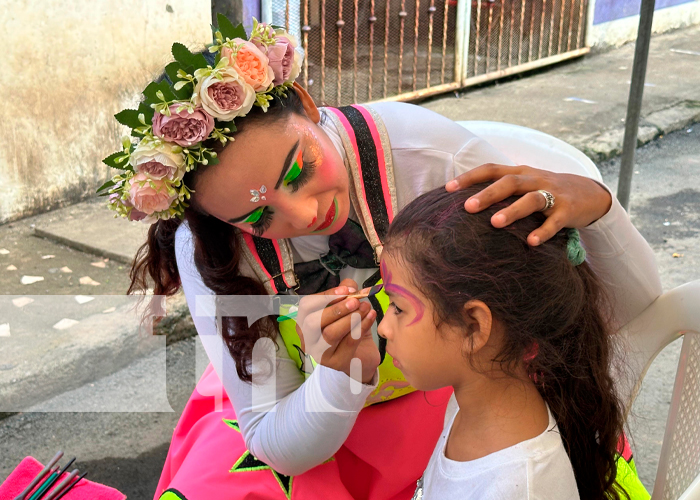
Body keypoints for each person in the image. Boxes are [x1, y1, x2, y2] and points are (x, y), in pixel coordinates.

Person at [104, 17, 661, 500]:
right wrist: (340, 377)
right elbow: (273, 436)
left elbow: (615, 311)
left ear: (305, 103)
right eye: (256, 219)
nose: (302, 216)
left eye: (298, 171)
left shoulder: (430, 156)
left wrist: (601, 210)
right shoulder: (210, 250)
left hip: (464, 388)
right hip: (310, 417)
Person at [378, 185, 637, 500]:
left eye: (398, 308)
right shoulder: (467, 402)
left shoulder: (519, 487)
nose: (384, 328)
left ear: (474, 327)